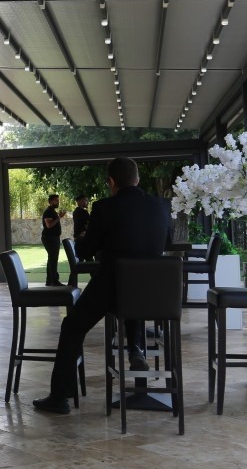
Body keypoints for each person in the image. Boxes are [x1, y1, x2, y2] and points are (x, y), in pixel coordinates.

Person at [33, 157, 172, 414]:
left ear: (111, 181)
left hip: (111, 286)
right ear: (138, 179)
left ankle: (59, 397)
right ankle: (135, 347)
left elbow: (84, 251)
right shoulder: (162, 205)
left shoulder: (104, 208)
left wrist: (85, 237)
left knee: (72, 326)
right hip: (152, 293)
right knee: (133, 298)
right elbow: (167, 243)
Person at [41, 194, 65, 286]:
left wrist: (58, 216)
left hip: (53, 238)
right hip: (49, 238)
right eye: (56, 200)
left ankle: (49, 281)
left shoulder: (52, 211)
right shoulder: (48, 212)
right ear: (50, 202)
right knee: (53, 259)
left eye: (58, 200)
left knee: (52, 259)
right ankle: (54, 281)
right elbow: (49, 225)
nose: (58, 202)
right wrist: (59, 217)